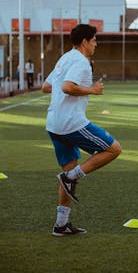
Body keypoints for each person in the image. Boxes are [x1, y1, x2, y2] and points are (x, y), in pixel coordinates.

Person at [42, 24, 121, 237]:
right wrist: (92, 90)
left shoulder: (65, 58)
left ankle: (61, 224)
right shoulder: (81, 61)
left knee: (68, 172)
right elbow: (67, 87)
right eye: (94, 40)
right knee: (114, 149)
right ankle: (71, 178)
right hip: (71, 123)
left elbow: (46, 86)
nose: (96, 43)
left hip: (54, 123)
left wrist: (66, 90)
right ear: (85, 41)